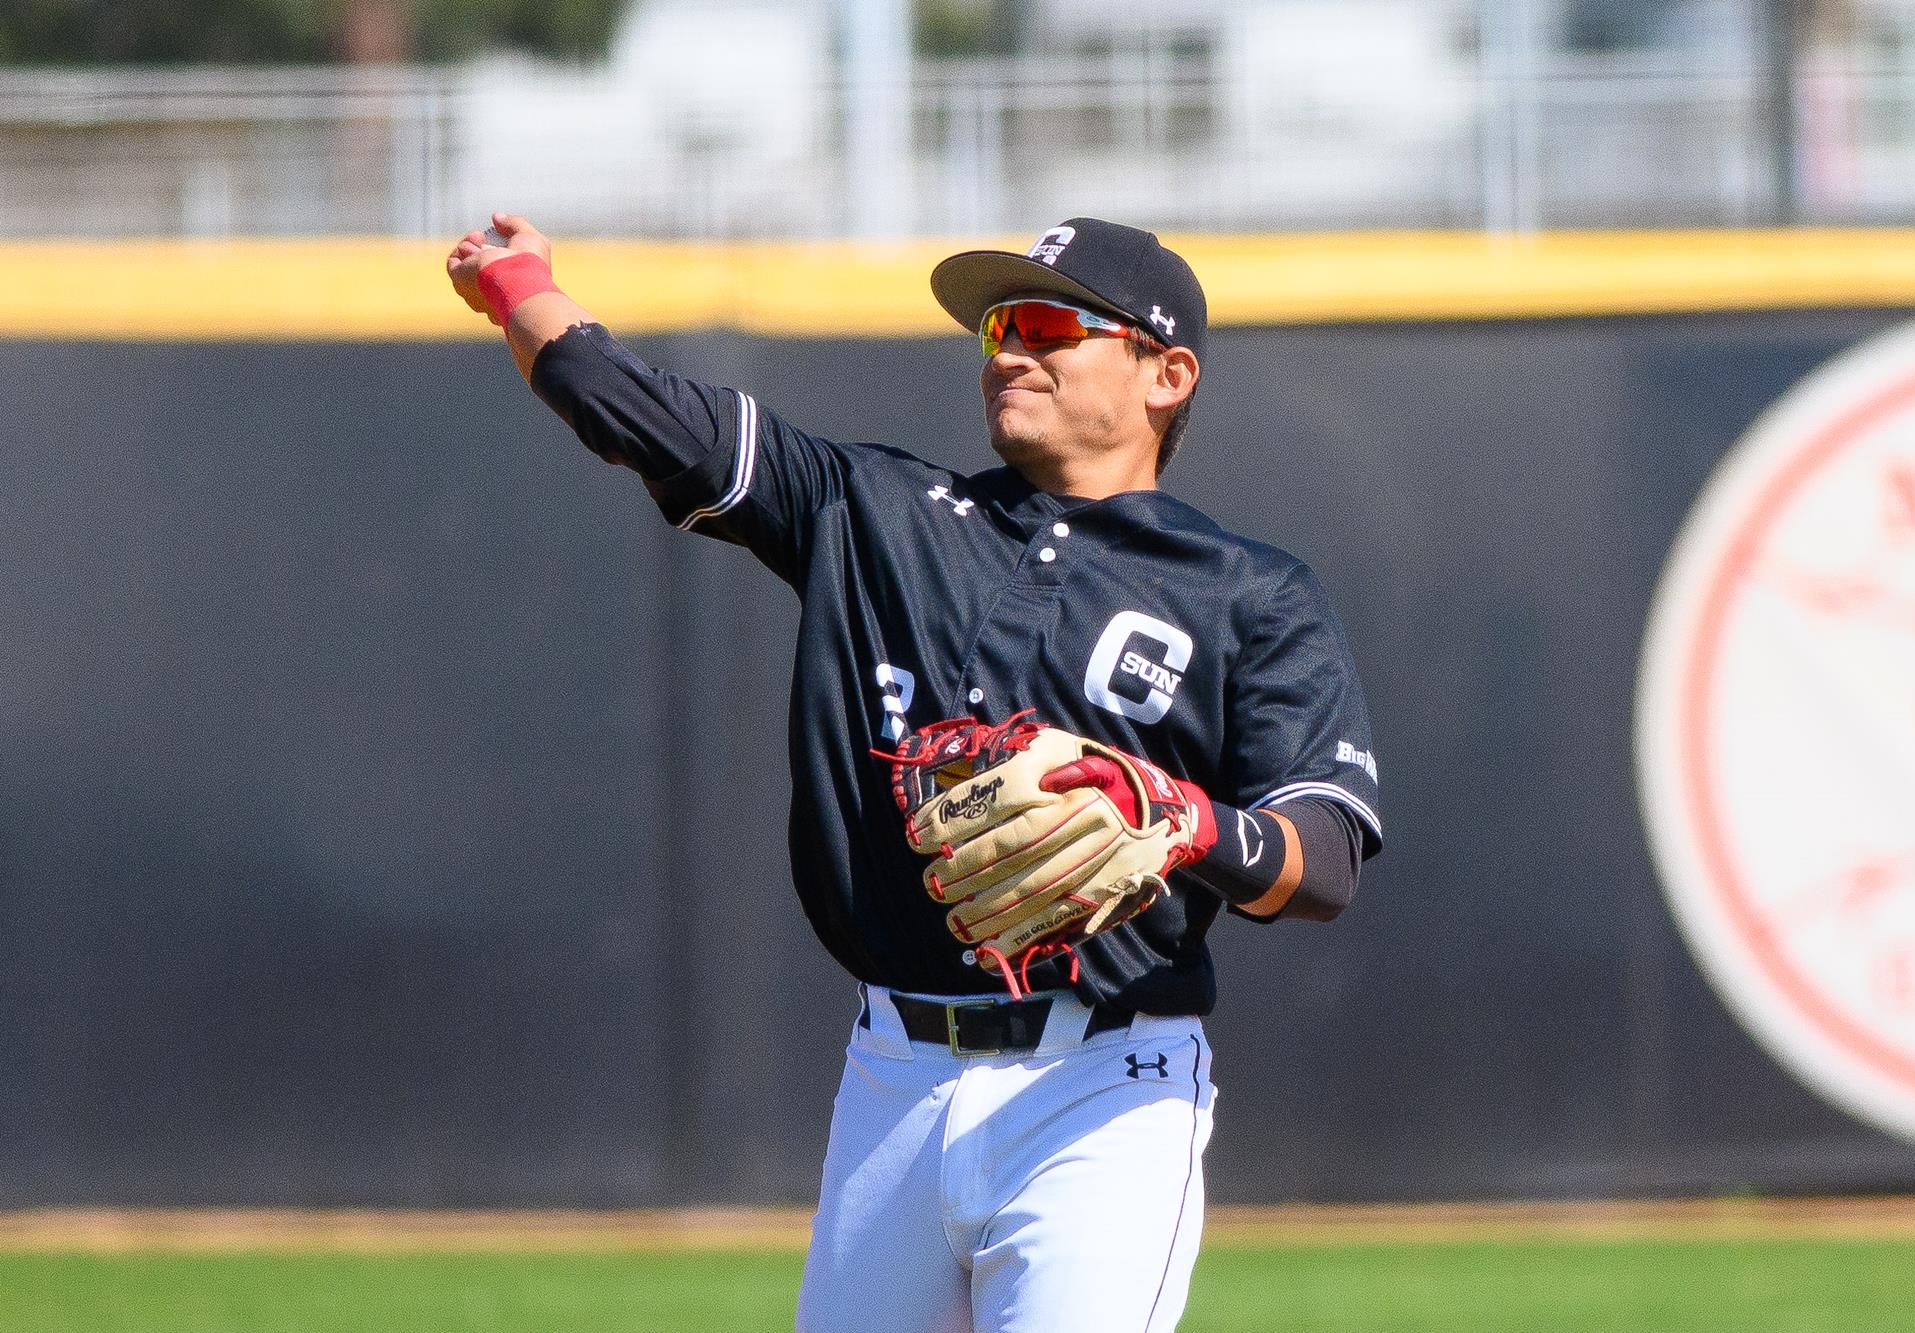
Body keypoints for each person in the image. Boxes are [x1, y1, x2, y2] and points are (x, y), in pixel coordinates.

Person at [445, 212, 1383, 1333]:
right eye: (994, 330)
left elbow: (1321, 858)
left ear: (1165, 373)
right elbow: (634, 409)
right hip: (891, 1075)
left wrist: (1182, 820)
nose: (1008, 352)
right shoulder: (875, 510)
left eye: (1045, 324)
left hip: (1102, 1091)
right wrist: (516, 285)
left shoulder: (1250, 592)